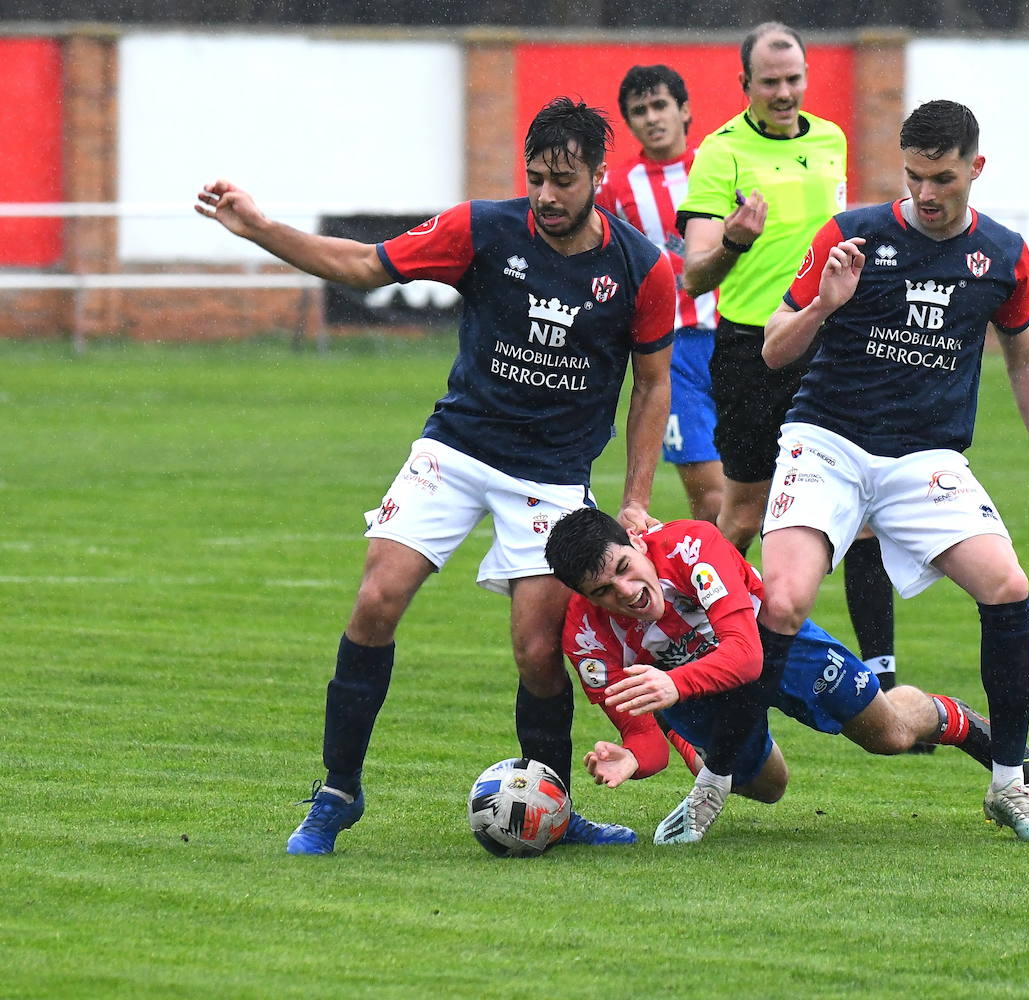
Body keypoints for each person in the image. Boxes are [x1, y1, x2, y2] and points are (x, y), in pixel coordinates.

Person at [194, 98, 677, 853]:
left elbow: (653, 385)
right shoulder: (481, 228)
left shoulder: (641, 268)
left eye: (565, 180)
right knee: (376, 601)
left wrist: (637, 497)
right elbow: (363, 265)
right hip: (455, 449)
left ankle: (553, 809)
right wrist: (260, 228)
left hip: (549, 478)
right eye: (537, 178)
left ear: (598, 176)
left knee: (539, 650)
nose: (548, 195)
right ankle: (337, 792)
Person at [746, 99, 1029, 843]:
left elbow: (1025, 363)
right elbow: (773, 349)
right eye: (913, 177)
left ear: (976, 168)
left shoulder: (1003, 256)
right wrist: (823, 307)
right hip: (828, 441)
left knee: (1009, 586)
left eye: (943, 178)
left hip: (927, 458)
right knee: (784, 601)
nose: (927, 194)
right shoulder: (850, 236)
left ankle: (1008, 788)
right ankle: (720, 772)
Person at [543, 508, 1029, 838]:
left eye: (625, 568)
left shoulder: (691, 545)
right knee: (769, 787)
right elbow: (643, 736)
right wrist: (632, 758)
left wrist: (673, 682)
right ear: (583, 596)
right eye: (604, 590)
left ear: (635, 540)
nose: (626, 592)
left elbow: (747, 656)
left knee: (890, 735)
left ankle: (955, 718)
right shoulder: (586, 639)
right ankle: (711, 753)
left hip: (773, 643)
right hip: (696, 692)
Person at [675, 21, 900, 691]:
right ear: (744, 84)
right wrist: (735, 243)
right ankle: (693, 635)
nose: (783, 92)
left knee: (860, 510)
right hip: (750, 352)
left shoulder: (830, 140)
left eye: (793, 78)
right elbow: (694, 277)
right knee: (744, 510)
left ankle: (884, 675)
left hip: (828, 347)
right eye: (769, 81)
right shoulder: (720, 154)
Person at [596, 65, 723, 524]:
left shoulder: (719, 168)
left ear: (684, 110)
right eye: (639, 111)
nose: (651, 118)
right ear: (629, 123)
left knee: (753, 494)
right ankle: (720, 589)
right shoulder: (615, 188)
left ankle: (727, 589)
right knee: (712, 497)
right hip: (673, 352)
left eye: (660, 105)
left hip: (736, 341)